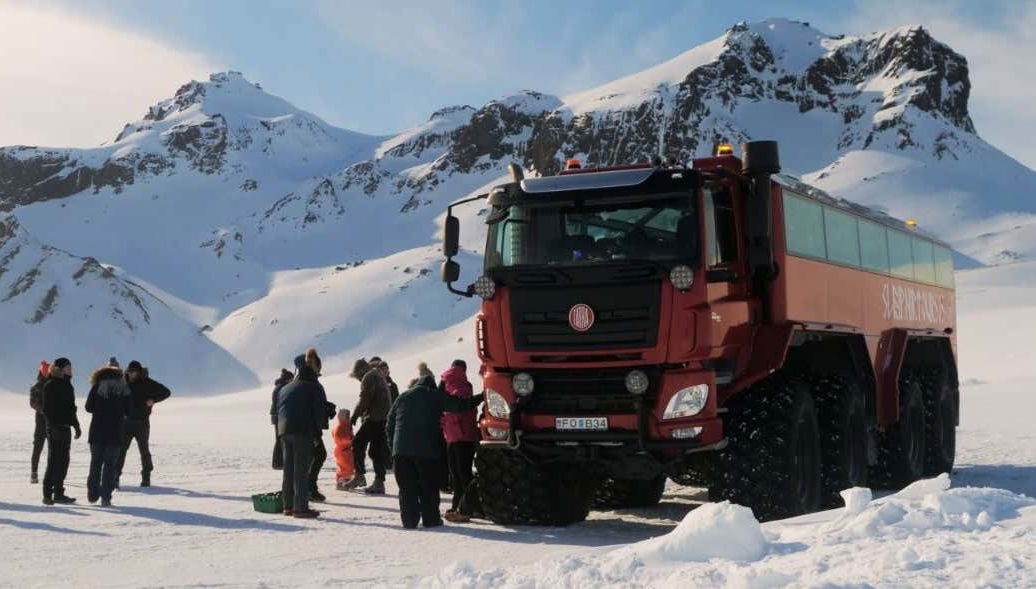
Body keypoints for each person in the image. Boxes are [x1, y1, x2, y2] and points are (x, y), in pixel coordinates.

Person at [386, 374, 483, 528]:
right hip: (426, 452)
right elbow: (460, 405)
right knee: (429, 486)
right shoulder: (435, 395)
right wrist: (483, 396)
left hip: (401, 452)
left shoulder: (403, 397)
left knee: (406, 488)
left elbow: (389, 424)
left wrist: (394, 448)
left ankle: (409, 521)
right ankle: (431, 520)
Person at [276, 349, 328, 518]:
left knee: (289, 470)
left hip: (284, 430)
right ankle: (301, 508)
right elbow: (319, 413)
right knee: (301, 470)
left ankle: (288, 505)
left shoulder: (286, 387)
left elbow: (281, 409)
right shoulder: (314, 386)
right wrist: (328, 415)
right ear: (315, 367)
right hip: (302, 431)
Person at [116, 360, 171, 488]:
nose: (131, 374)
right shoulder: (123, 382)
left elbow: (166, 392)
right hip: (126, 423)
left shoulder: (147, 382)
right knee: (121, 451)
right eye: (129, 371)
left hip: (142, 423)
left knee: (144, 450)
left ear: (139, 372)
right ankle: (115, 477)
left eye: (133, 372)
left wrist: (153, 400)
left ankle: (146, 477)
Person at [340, 358, 391, 493]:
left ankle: (359, 476)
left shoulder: (368, 377)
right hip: (384, 419)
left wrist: (355, 416)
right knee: (375, 451)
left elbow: (365, 399)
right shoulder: (378, 375)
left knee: (357, 443)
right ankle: (379, 482)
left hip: (375, 418)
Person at [85, 360, 131, 506]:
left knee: (95, 462)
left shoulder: (97, 386)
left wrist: (100, 411)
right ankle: (106, 497)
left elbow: (88, 407)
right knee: (110, 465)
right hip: (115, 432)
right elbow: (129, 410)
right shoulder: (123, 388)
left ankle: (92, 494)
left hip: (97, 431)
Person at [440, 360, 479, 523]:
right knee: (465, 473)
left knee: (456, 474)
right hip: (465, 436)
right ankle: (470, 507)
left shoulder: (446, 386)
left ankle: (459, 505)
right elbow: (463, 410)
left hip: (451, 436)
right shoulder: (464, 387)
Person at [41, 357, 81, 505]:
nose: (70, 369)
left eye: (70, 366)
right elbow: (47, 410)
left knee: (64, 461)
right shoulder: (50, 385)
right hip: (55, 429)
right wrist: (53, 427)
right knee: (53, 460)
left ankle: (59, 493)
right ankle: (47, 494)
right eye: (67, 366)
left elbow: (71, 409)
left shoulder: (68, 386)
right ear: (59, 368)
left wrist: (76, 425)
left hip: (66, 428)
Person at [29, 361, 50, 484]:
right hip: (41, 422)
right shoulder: (36, 387)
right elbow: (33, 403)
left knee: (51, 450)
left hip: (51, 422)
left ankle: (49, 473)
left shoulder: (53, 385)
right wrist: (43, 410)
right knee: (38, 447)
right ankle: (34, 472)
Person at [270, 369, 294, 470]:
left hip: (275, 415)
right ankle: (278, 463)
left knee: (278, 439)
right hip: (279, 415)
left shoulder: (278, 387)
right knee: (280, 439)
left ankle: (278, 462)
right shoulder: (282, 388)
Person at [332, 408, 356, 490]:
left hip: (347, 450)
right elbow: (338, 439)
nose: (348, 418)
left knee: (349, 467)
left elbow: (350, 435)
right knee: (343, 467)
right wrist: (350, 440)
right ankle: (340, 483)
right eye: (346, 416)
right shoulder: (339, 427)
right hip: (341, 450)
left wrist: (352, 439)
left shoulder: (348, 426)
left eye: (349, 416)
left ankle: (347, 481)